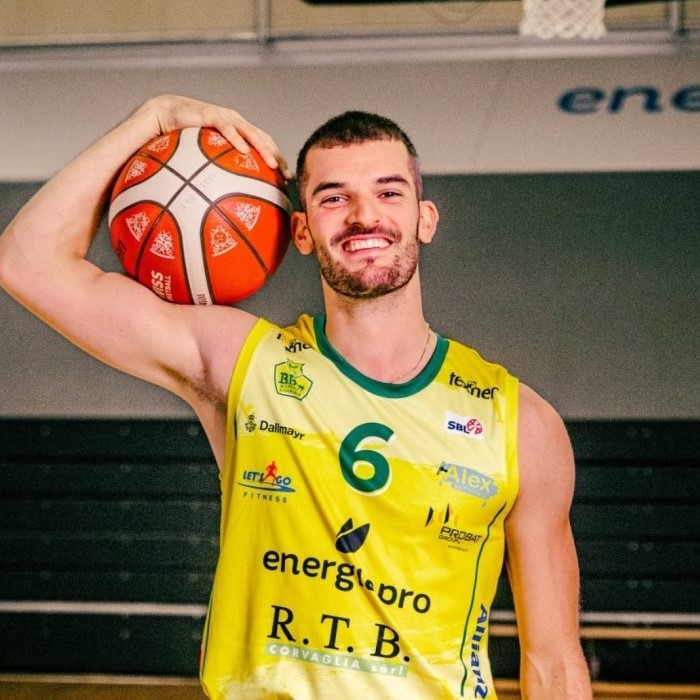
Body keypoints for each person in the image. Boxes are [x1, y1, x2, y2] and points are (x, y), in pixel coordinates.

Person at [0, 94, 592, 699]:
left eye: (389, 192)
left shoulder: (517, 422)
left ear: (425, 218)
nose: (364, 216)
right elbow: (26, 262)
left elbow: (554, 664)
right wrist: (151, 119)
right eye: (334, 198)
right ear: (302, 232)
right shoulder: (243, 366)